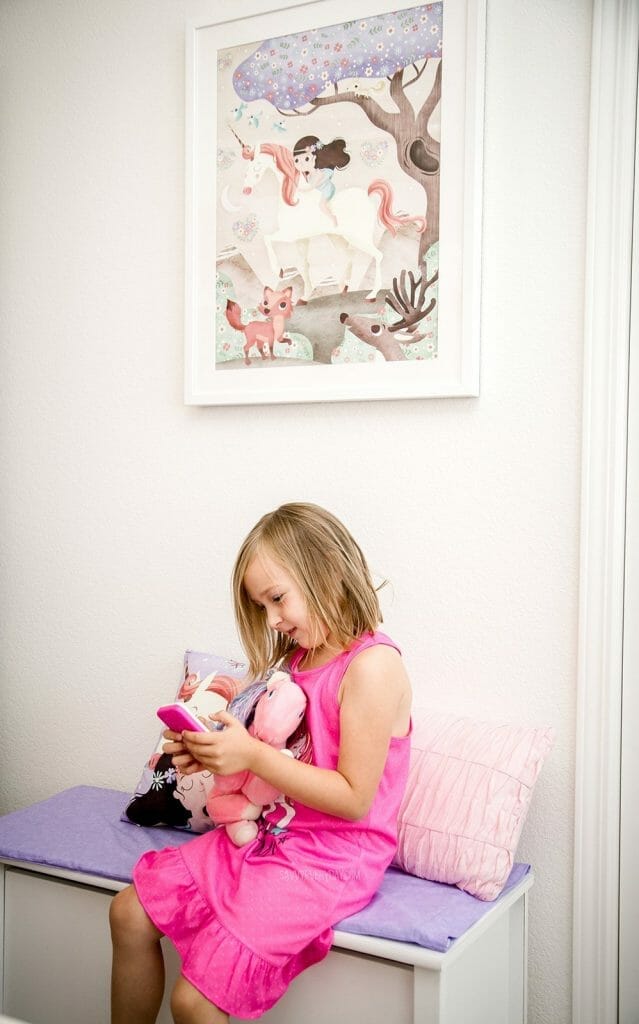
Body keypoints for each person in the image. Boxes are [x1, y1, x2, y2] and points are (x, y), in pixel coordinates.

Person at [110, 502, 412, 1024]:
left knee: (195, 999)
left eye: (277, 599)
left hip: (332, 859)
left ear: (327, 571)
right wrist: (208, 754)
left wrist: (252, 755)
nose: (272, 620)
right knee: (128, 912)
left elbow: (355, 798)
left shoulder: (373, 667)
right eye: (261, 606)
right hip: (272, 837)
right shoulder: (295, 662)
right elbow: (262, 767)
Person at [292, 136, 350, 226]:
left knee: (321, 206)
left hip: (328, 190)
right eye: (296, 160)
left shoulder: (319, 173)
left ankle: (333, 219)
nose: (301, 163)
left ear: (314, 158)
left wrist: (303, 190)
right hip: (321, 190)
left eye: (306, 159)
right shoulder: (309, 174)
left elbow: (313, 186)